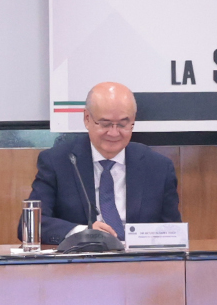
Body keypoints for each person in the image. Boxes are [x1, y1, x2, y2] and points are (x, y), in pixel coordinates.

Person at [24, 81, 182, 243]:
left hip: (138, 258)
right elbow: (31, 224)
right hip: (82, 257)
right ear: (87, 119)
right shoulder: (58, 161)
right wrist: (83, 233)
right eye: (105, 124)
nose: (114, 133)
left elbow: (173, 233)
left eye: (122, 124)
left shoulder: (158, 167)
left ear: (133, 120)